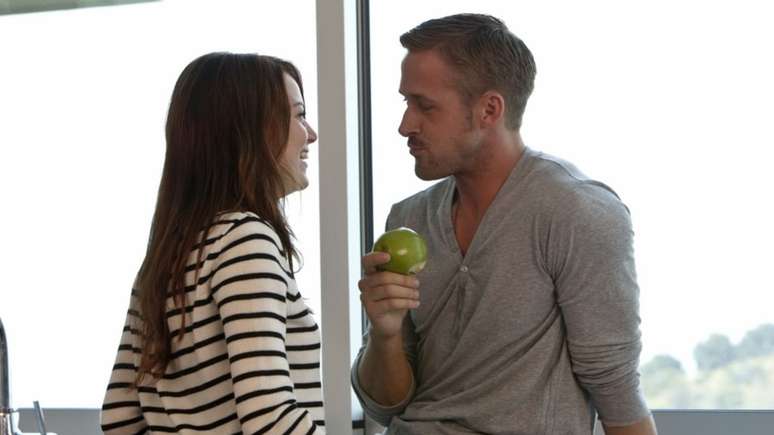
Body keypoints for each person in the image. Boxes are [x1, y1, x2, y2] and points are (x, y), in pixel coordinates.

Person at [352, 13, 658, 435]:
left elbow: (616, 390)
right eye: (406, 103)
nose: (405, 125)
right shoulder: (408, 219)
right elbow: (386, 406)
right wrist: (385, 334)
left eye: (425, 106)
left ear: (489, 109)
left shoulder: (576, 211)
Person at [101, 52, 325, 434]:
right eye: (298, 115)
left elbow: (118, 418)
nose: (311, 134)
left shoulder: (169, 254)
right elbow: (270, 420)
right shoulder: (246, 241)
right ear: (248, 130)